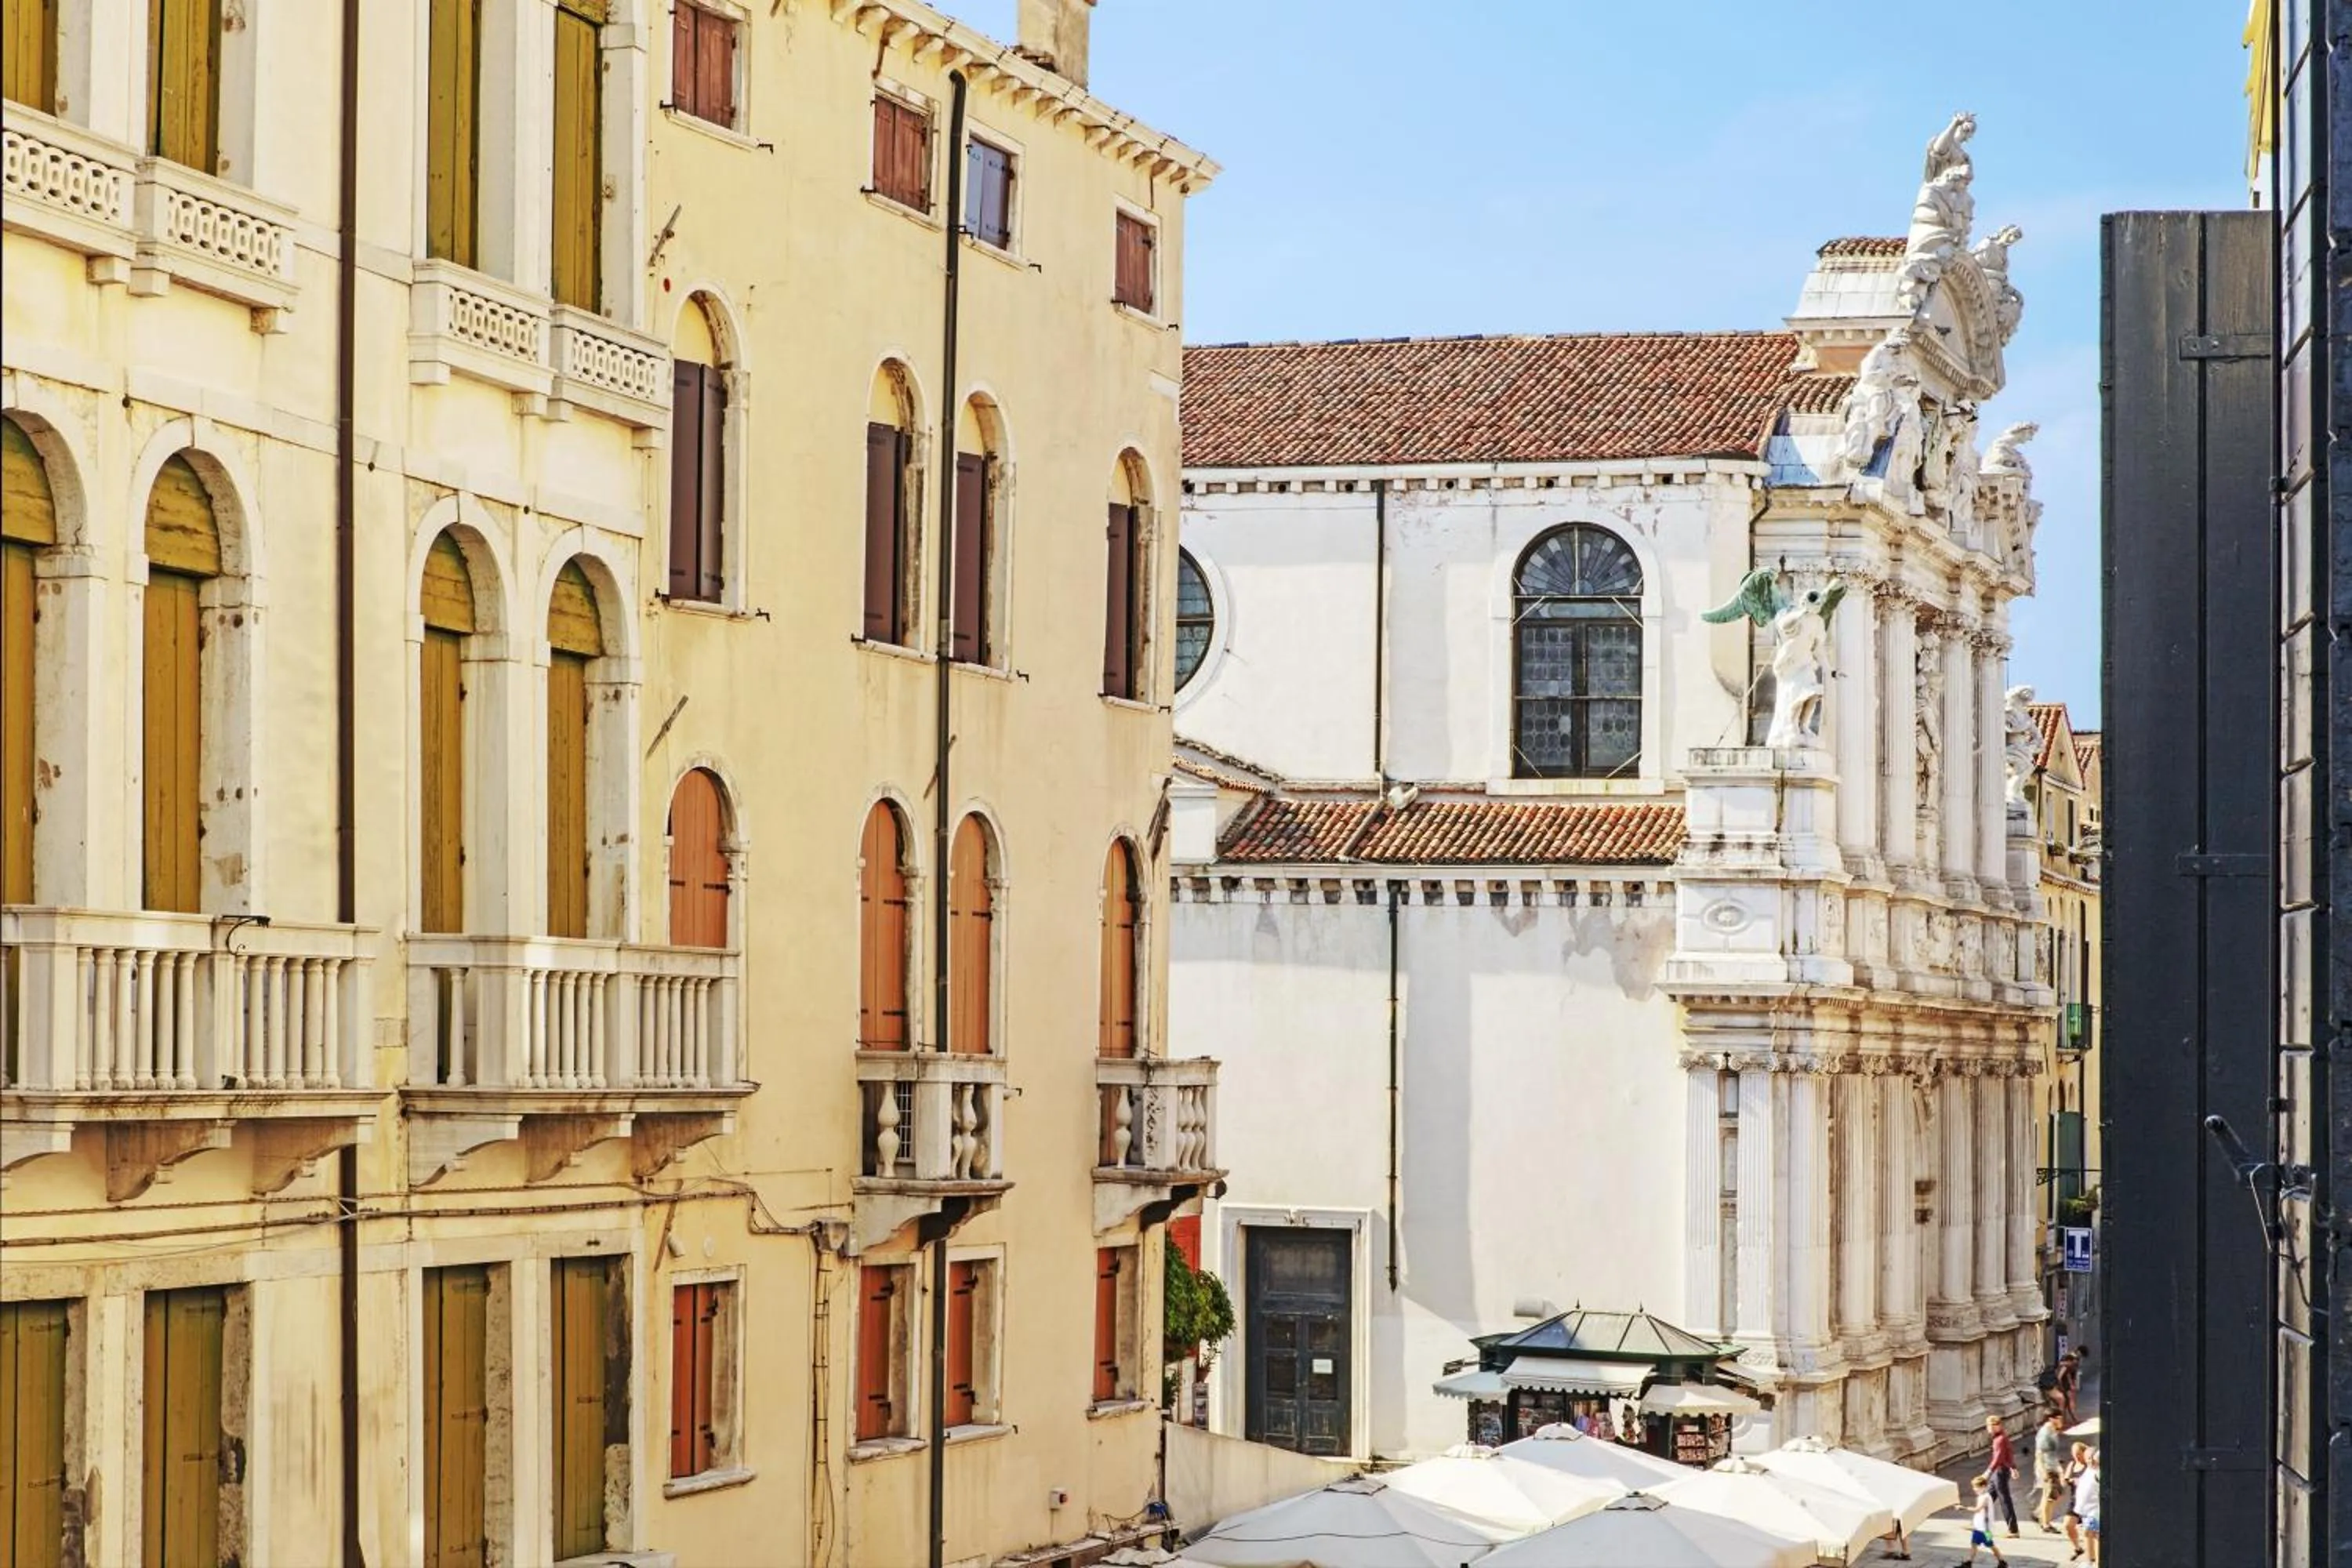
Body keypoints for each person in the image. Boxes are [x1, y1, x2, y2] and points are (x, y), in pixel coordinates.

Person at [2063, 1443, 2100, 1564]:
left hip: (2094, 1510)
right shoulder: (2087, 1469)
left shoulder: (2096, 1470)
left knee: (2093, 1536)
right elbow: (2066, 1480)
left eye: (2079, 1454)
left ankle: (2095, 1562)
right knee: (2088, 1534)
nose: (2077, 1457)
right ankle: (2090, 1560)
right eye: (2074, 1455)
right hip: (2083, 1508)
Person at [1984, 1414, 2020, 1536]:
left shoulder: (1999, 1440)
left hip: (2000, 1472)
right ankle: (1978, 1522)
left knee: (2005, 1500)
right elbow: (2009, 1454)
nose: (1988, 1428)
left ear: (1996, 1426)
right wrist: (2013, 1468)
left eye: (1989, 1426)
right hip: (2000, 1471)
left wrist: (1988, 1471)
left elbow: (1998, 1458)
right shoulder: (2001, 1438)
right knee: (1988, 1497)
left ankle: (2013, 1529)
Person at [2032, 1410, 2068, 1531]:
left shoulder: (2053, 1431)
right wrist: (2043, 1471)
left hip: (2053, 1466)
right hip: (2048, 1469)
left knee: (2054, 1495)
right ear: (2051, 1419)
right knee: (2050, 1497)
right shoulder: (2045, 1433)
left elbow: (2051, 1452)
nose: (2061, 1421)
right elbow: (2039, 1454)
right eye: (2059, 1418)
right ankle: (2046, 1524)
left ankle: (2040, 1515)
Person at [1967, 1475, 2010, 1566]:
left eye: (1976, 1487)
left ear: (1983, 1487)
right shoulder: (1982, 1496)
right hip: (1979, 1527)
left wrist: (1963, 1508)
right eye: (1974, 1487)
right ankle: (1969, 1563)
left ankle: (2002, 1561)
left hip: (1985, 1528)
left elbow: (1978, 1509)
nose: (1974, 1489)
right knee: (1974, 1544)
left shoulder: (1986, 1497)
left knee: (1991, 1545)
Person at [2053, 1349, 2082, 1426]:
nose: (2076, 1362)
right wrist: (2062, 1387)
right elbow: (2059, 1377)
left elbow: (2067, 1376)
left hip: (2064, 1384)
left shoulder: (2066, 1366)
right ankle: (2072, 1419)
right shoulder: (2065, 1366)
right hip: (2064, 1385)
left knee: (2067, 1402)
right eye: (2074, 1360)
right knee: (2069, 1401)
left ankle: (2067, 1420)